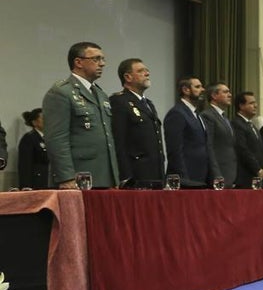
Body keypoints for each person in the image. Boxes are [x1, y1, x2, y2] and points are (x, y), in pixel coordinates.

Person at [42, 42, 119, 189]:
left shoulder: (101, 94)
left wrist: (114, 177)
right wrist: (66, 177)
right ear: (78, 62)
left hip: (104, 177)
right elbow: (56, 139)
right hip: (78, 178)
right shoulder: (61, 92)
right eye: (96, 59)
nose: (102, 64)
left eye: (103, 59)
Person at [110, 59, 165, 188]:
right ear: (128, 77)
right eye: (141, 71)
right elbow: (119, 141)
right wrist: (125, 177)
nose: (147, 73)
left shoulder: (148, 104)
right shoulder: (119, 102)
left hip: (155, 173)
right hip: (136, 175)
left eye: (147, 70)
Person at [163, 76, 219, 188]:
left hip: (202, 178)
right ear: (186, 90)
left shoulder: (197, 114)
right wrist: (184, 180)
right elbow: (175, 150)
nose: (203, 90)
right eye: (198, 87)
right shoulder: (177, 113)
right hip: (187, 180)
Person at [200, 83, 236, 188]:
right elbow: (209, 146)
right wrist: (216, 174)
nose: (230, 95)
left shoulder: (224, 117)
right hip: (218, 175)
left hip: (230, 173)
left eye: (229, 92)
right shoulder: (208, 115)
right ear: (214, 96)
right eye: (225, 92)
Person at [231, 92, 263, 188]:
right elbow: (242, 149)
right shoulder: (237, 123)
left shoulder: (251, 125)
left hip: (258, 176)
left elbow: (260, 150)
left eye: (255, 103)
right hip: (246, 175)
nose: (255, 106)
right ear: (241, 106)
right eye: (251, 103)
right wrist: (257, 169)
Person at [16, 109, 49, 190]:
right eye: (43, 118)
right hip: (36, 183)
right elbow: (25, 164)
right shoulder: (29, 138)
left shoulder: (50, 138)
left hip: (49, 181)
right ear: (34, 122)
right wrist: (26, 185)